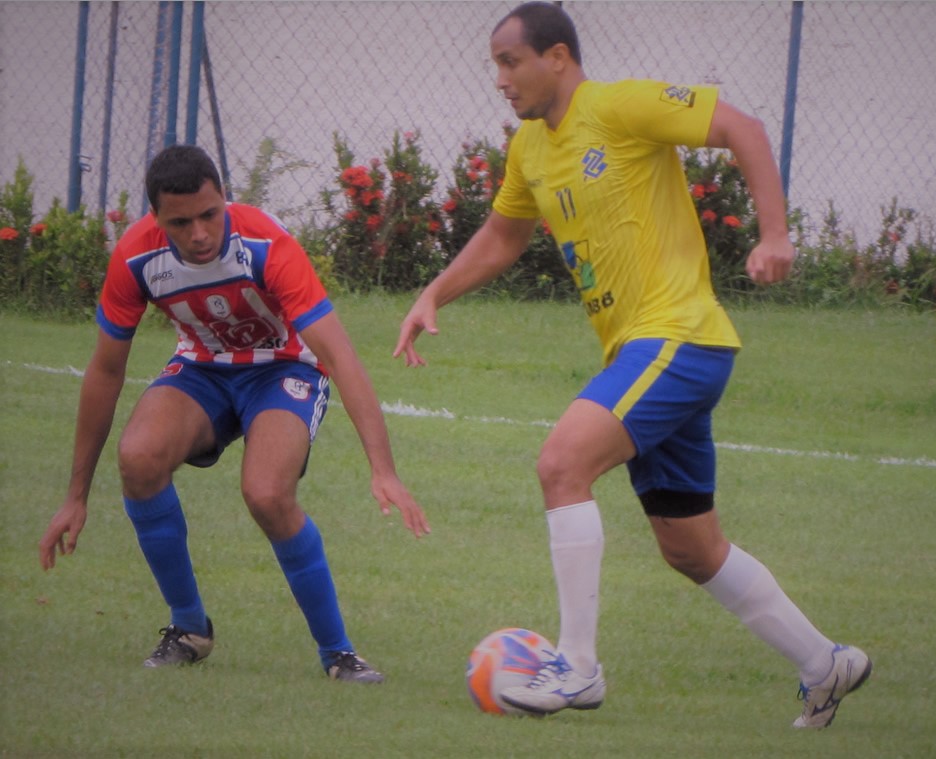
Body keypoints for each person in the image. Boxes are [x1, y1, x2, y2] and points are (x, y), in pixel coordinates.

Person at [395, 1, 869, 727]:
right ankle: (823, 661)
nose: (500, 79)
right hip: (647, 350)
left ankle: (577, 668)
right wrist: (436, 292)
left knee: (561, 464)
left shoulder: (620, 105)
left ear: (558, 57)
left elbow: (742, 127)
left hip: (679, 336)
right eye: (495, 64)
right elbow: (503, 234)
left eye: (510, 61)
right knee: (690, 546)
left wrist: (775, 234)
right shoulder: (530, 148)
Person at [39, 144, 430, 683]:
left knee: (267, 493)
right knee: (139, 457)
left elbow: (339, 356)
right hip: (202, 369)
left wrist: (383, 470)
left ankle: (338, 653)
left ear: (224, 199)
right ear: (157, 219)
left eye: (209, 214)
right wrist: (75, 495)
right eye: (181, 222)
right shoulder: (135, 258)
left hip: (285, 367)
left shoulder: (267, 245)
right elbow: (106, 372)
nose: (199, 233)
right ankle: (189, 629)